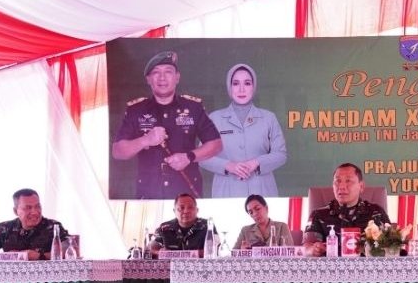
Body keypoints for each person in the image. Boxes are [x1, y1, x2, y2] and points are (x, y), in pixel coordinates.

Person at [111, 51, 222, 199]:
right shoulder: (136, 110)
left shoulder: (193, 108)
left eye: (168, 72)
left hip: (186, 195)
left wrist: (189, 157)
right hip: (149, 195)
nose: (162, 77)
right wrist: (145, 140)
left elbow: (216, 144)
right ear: (148, 79)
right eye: (156, 72)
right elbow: (118, 151)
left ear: (177, 77)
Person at [200, 63, 287, 198]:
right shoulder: (215, 118)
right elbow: (202, 156)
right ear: (229, 87)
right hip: (226, 191)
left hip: (262, 190)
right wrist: (228, 165)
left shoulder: (269, 118)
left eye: (247, 83)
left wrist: (256, 163)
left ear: (253, 86)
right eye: (236, 83)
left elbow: (281, 154)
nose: (241, 89)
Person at [303, 163, 390, 256]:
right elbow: (306, 247)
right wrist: (313, 249)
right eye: (338, 181)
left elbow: (393, 245)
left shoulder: (376, 213)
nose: (342, 186)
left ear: (361, 186)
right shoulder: (318, 215)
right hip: (332, 264)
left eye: (348, 181)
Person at [0, 188, 68, 260]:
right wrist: (8, 257)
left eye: (38, 206)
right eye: (28, 208)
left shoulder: (54, 226)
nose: (35, 212)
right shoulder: (3, 228)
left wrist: (40, 256)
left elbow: (68, 251)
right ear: (16, 211)